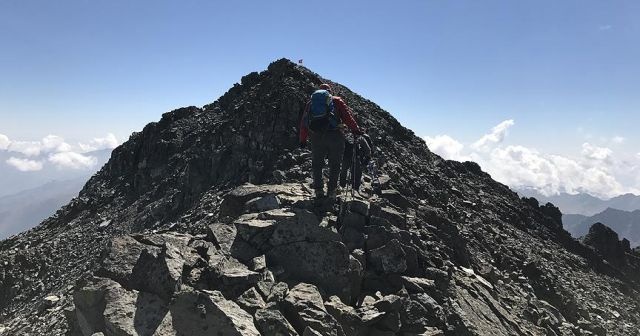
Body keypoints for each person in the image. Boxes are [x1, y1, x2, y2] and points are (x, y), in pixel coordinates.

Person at [299, 83, 363, 201]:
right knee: (335, 164)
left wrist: (303, 139)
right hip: (335, 136)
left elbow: (304, 122)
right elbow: (347, 117)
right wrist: (356, 130)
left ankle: (318, 190)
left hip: (316, 137)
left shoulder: (311, 103)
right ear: (329, 92)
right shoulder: (337, 101)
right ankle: (332, 191)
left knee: (317, 164)